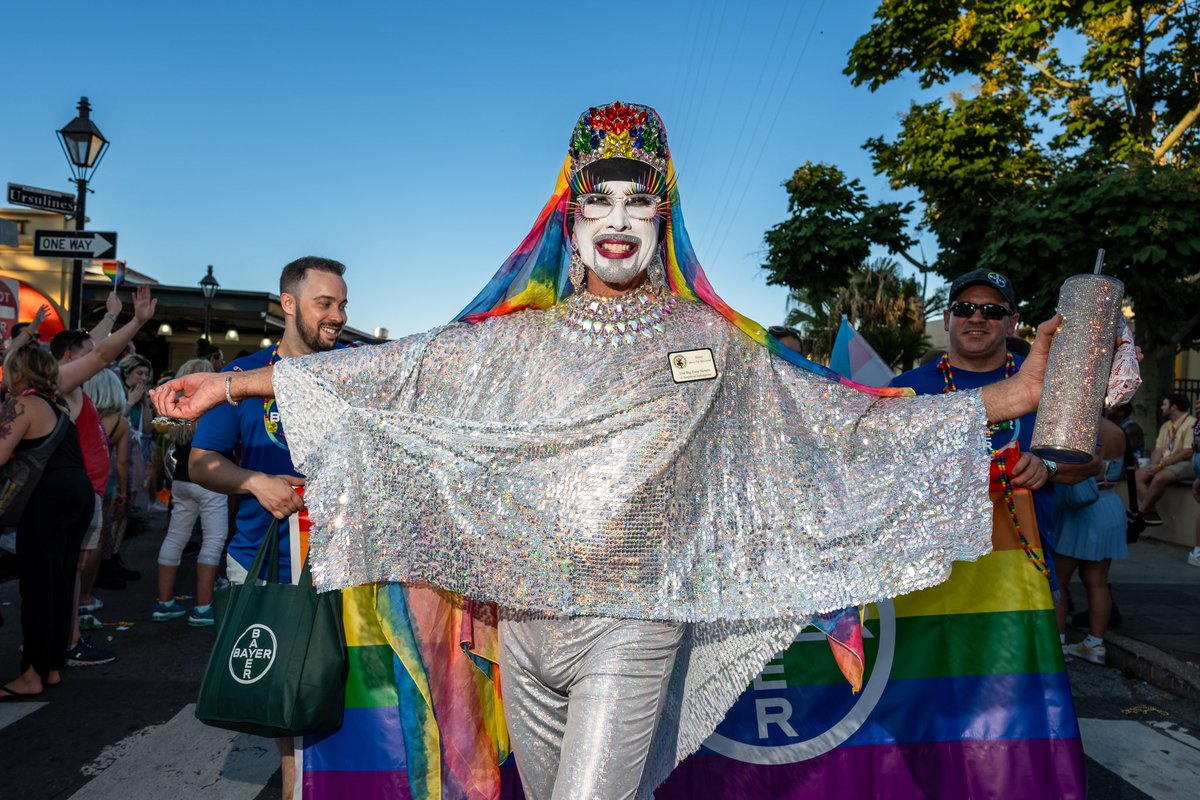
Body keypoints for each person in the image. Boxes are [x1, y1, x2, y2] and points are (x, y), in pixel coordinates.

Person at [154, 103, 1063, 799]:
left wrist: (1013, 398)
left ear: (664, 219)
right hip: (522, 630)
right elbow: (388, 376)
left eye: (639, 200)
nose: (619, 218)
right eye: (600, 198)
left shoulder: (711, 344)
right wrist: (226, 386)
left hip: (634, 624)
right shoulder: (513, 342)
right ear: (570, 218)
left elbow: (843, 422)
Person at [185, 255, 348, 799]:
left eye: (343, 304)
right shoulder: (238, 379)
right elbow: (201, 462)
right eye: (325, 303)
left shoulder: (352, 370)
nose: (337, 315)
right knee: (291, 698)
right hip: (264, 559)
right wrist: (255, 481)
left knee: (345, 691)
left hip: (344, 563)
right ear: (287, 304)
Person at [0, 346, 96, 699]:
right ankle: (51, 666)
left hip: (47, 500)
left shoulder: (23, 405)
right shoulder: (58, 408)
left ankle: (31, 675)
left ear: (21, 374)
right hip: (78, 494)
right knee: (57, 582)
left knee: (38, 587)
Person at [151, 358, 227, 627]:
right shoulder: (213, 407)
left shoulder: (174, 409)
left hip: (181, 481)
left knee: (175, 538)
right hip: (210, 480)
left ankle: (164, 603)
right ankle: (203, 607)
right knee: (214, 540)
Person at [1053, 416, 1128, 665]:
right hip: (1110, 504)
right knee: (1098, 582)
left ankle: (1058, 643)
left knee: (1059, 581)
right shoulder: (1117, 430)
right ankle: (1095, 644)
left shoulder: (1079, 424)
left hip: (1082, 509)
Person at [80, 368, 131, 624]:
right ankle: (86, 596)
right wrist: (124, 491)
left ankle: (75, 593)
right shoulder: (120, 422)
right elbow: (122, 462)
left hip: (77, 479)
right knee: (95, 539)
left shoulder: (78, 414)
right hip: (105, 480)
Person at [1135, 392, 1196, 525]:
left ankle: (1140, 512)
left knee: (1160, 478)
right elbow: (1158, 449)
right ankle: (1151, 513)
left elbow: (1187, 452)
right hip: (1165, 463)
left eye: (1164, 404)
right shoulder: (1166, 425)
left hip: (1185, 463)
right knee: (1138, 476)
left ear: (1173, 407)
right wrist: (1154, 465)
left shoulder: (1191, 423)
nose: (1162, 407)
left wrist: (1160, 467)